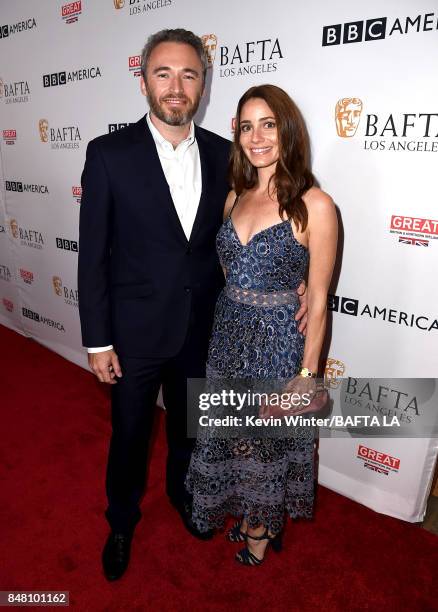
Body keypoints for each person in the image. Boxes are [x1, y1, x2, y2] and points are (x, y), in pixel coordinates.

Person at [78, 28, 310, 581]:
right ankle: (121, 521)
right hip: (133, 333)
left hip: (204, 331)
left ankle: (186, 497)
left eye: (189, 74)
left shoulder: (226, 155)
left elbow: (252, 228)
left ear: (203, 85)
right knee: (130, 435)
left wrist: (294, 279)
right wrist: (97, 339)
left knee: (188, 432)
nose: (177, 86)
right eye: (164, 73)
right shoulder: (108, 155)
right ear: (144, 81)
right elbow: (93, 256)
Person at [186, 84, 338, 566]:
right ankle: (246, 511)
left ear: (286, 129)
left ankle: (260, 528)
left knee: (267, 442)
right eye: (247, 126)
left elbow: (317, 298)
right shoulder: (235, 197)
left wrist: (308, 374)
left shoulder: (315, 205)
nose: (257, 137)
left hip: (276, 344)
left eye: (268, 124)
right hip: (228, 335)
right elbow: (233, 271)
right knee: (233, 433)